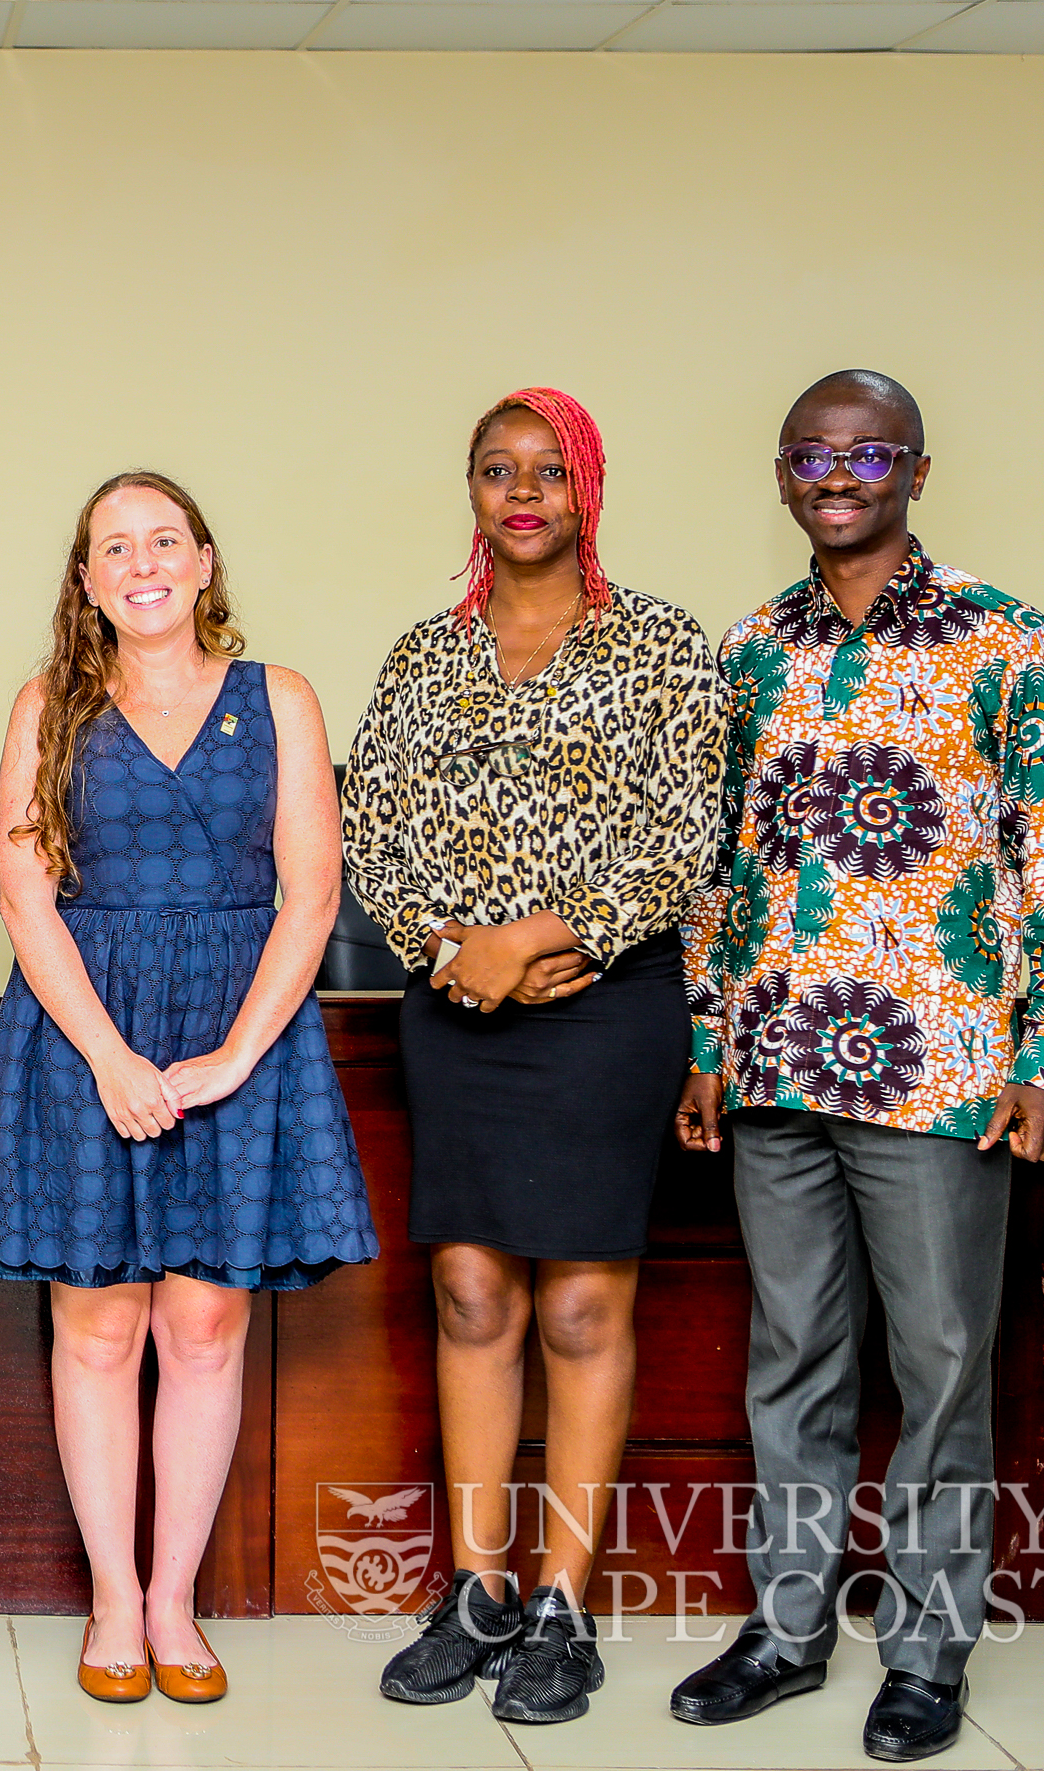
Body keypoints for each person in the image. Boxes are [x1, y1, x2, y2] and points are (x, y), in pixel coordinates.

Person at [666, 371, 1044, 1765]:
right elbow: (722, 866)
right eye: (810, 452)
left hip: (940, 1064)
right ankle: (790, 1630)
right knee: (791, 1355)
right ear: (783, 473)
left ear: (918, 466)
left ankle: (925, 1650)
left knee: (940, 1363)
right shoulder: (751, 648)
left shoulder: (1009, 641)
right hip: (778, 1056)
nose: (835, 473)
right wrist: (703, 1037)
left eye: (864, 453)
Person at [0, 471, 377, 1705]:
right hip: (88, 1032)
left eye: (162, 540)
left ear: (202, 560)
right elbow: (23, 895)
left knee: (204, 1326)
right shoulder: (47, 705)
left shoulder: (280, 699)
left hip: (239, 1032)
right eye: (112, 548)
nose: (140, 563)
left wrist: (237, 1054)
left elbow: (310, 894)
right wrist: (107, 1054)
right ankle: (108, 1601)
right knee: (98, 1324)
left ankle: (173, 1602)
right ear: (85, 579)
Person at [345, 387, 724, 1725]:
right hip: (457, 1014)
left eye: (547, 472)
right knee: (466, 1290)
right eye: (496, 471)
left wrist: (551, 936)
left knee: (578, 1305)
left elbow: (689, 837)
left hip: (606, 1012)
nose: (521, 493)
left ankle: (564, 1600)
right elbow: (369, 832)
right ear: (472, 494)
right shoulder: (418, 660)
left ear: (589, 490)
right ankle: (479, 1589)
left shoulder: (666, 648)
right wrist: (456, 953)